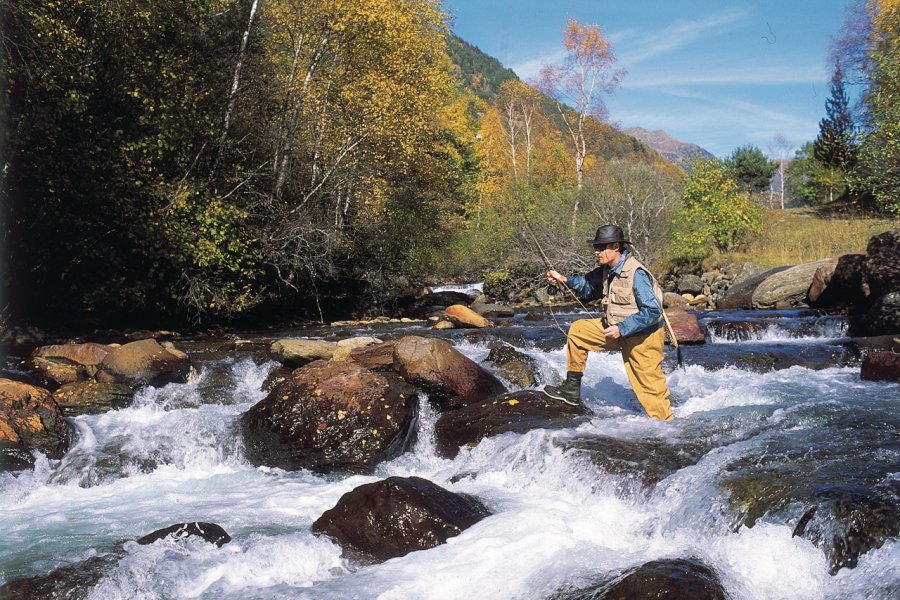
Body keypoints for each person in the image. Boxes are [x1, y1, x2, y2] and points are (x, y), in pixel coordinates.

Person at [542, 224, 674, 421]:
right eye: (596, 247)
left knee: (652, 394)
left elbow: (653, 311)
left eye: (601, 247)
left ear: (616, 247)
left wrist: (622, 329)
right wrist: (563, 280)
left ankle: (668, 430)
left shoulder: (637, 273)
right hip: (613, 329)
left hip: (643, 338)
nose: (597, 252)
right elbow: (586, 287)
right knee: (578, 331)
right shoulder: (606, 270)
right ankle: (571, 388)